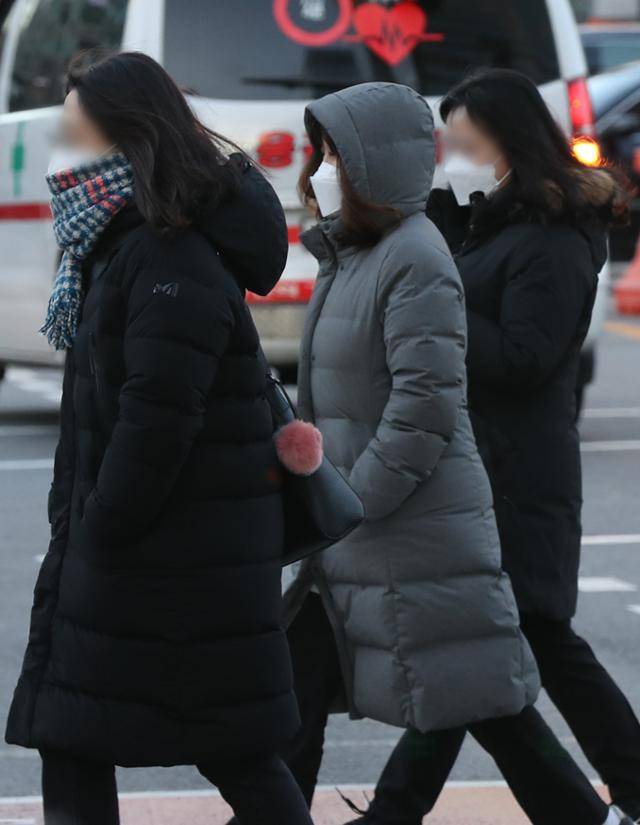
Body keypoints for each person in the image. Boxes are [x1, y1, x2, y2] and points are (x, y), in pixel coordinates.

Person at [227, 81, 618, 825]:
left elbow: (424, 406)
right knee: (315, 688)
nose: (322, 169)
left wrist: (350, 499)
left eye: (337, 154)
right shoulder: (359, 252)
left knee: (478, 692)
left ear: (374, 161)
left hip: (407, 523)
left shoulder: (416, 257)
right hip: (355, 524)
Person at [4, 50, 313, 825]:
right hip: (164, 556)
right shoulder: (130, 237)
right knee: (85, 734)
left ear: (125, 137)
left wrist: (102, 523)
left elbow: (157, 415)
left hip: (167, 560)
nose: (61, 151)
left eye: (74, 131)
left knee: (220, 745)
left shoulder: (165, 250)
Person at [343, 70, 640, 825]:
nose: (455, 154)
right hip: (480, 466)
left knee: (511, 645)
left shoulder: (556, 232)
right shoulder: (487, 220)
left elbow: (530, 357)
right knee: (480, 655)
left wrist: (435, 321)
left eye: (467, 140)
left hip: (520, 472)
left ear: (509, 138)